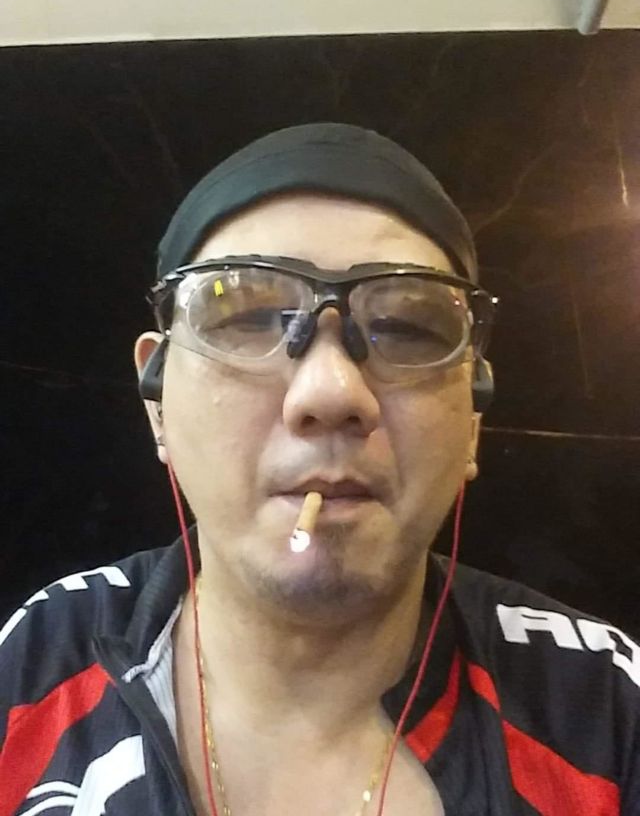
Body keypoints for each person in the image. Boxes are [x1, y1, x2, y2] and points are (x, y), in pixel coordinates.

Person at [0, 123, 638, 816]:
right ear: (158, 401)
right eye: (245, 318)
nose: (331, 393)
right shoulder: (38, 661)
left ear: (473, 420)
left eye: (409, 329)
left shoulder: (604, 709)